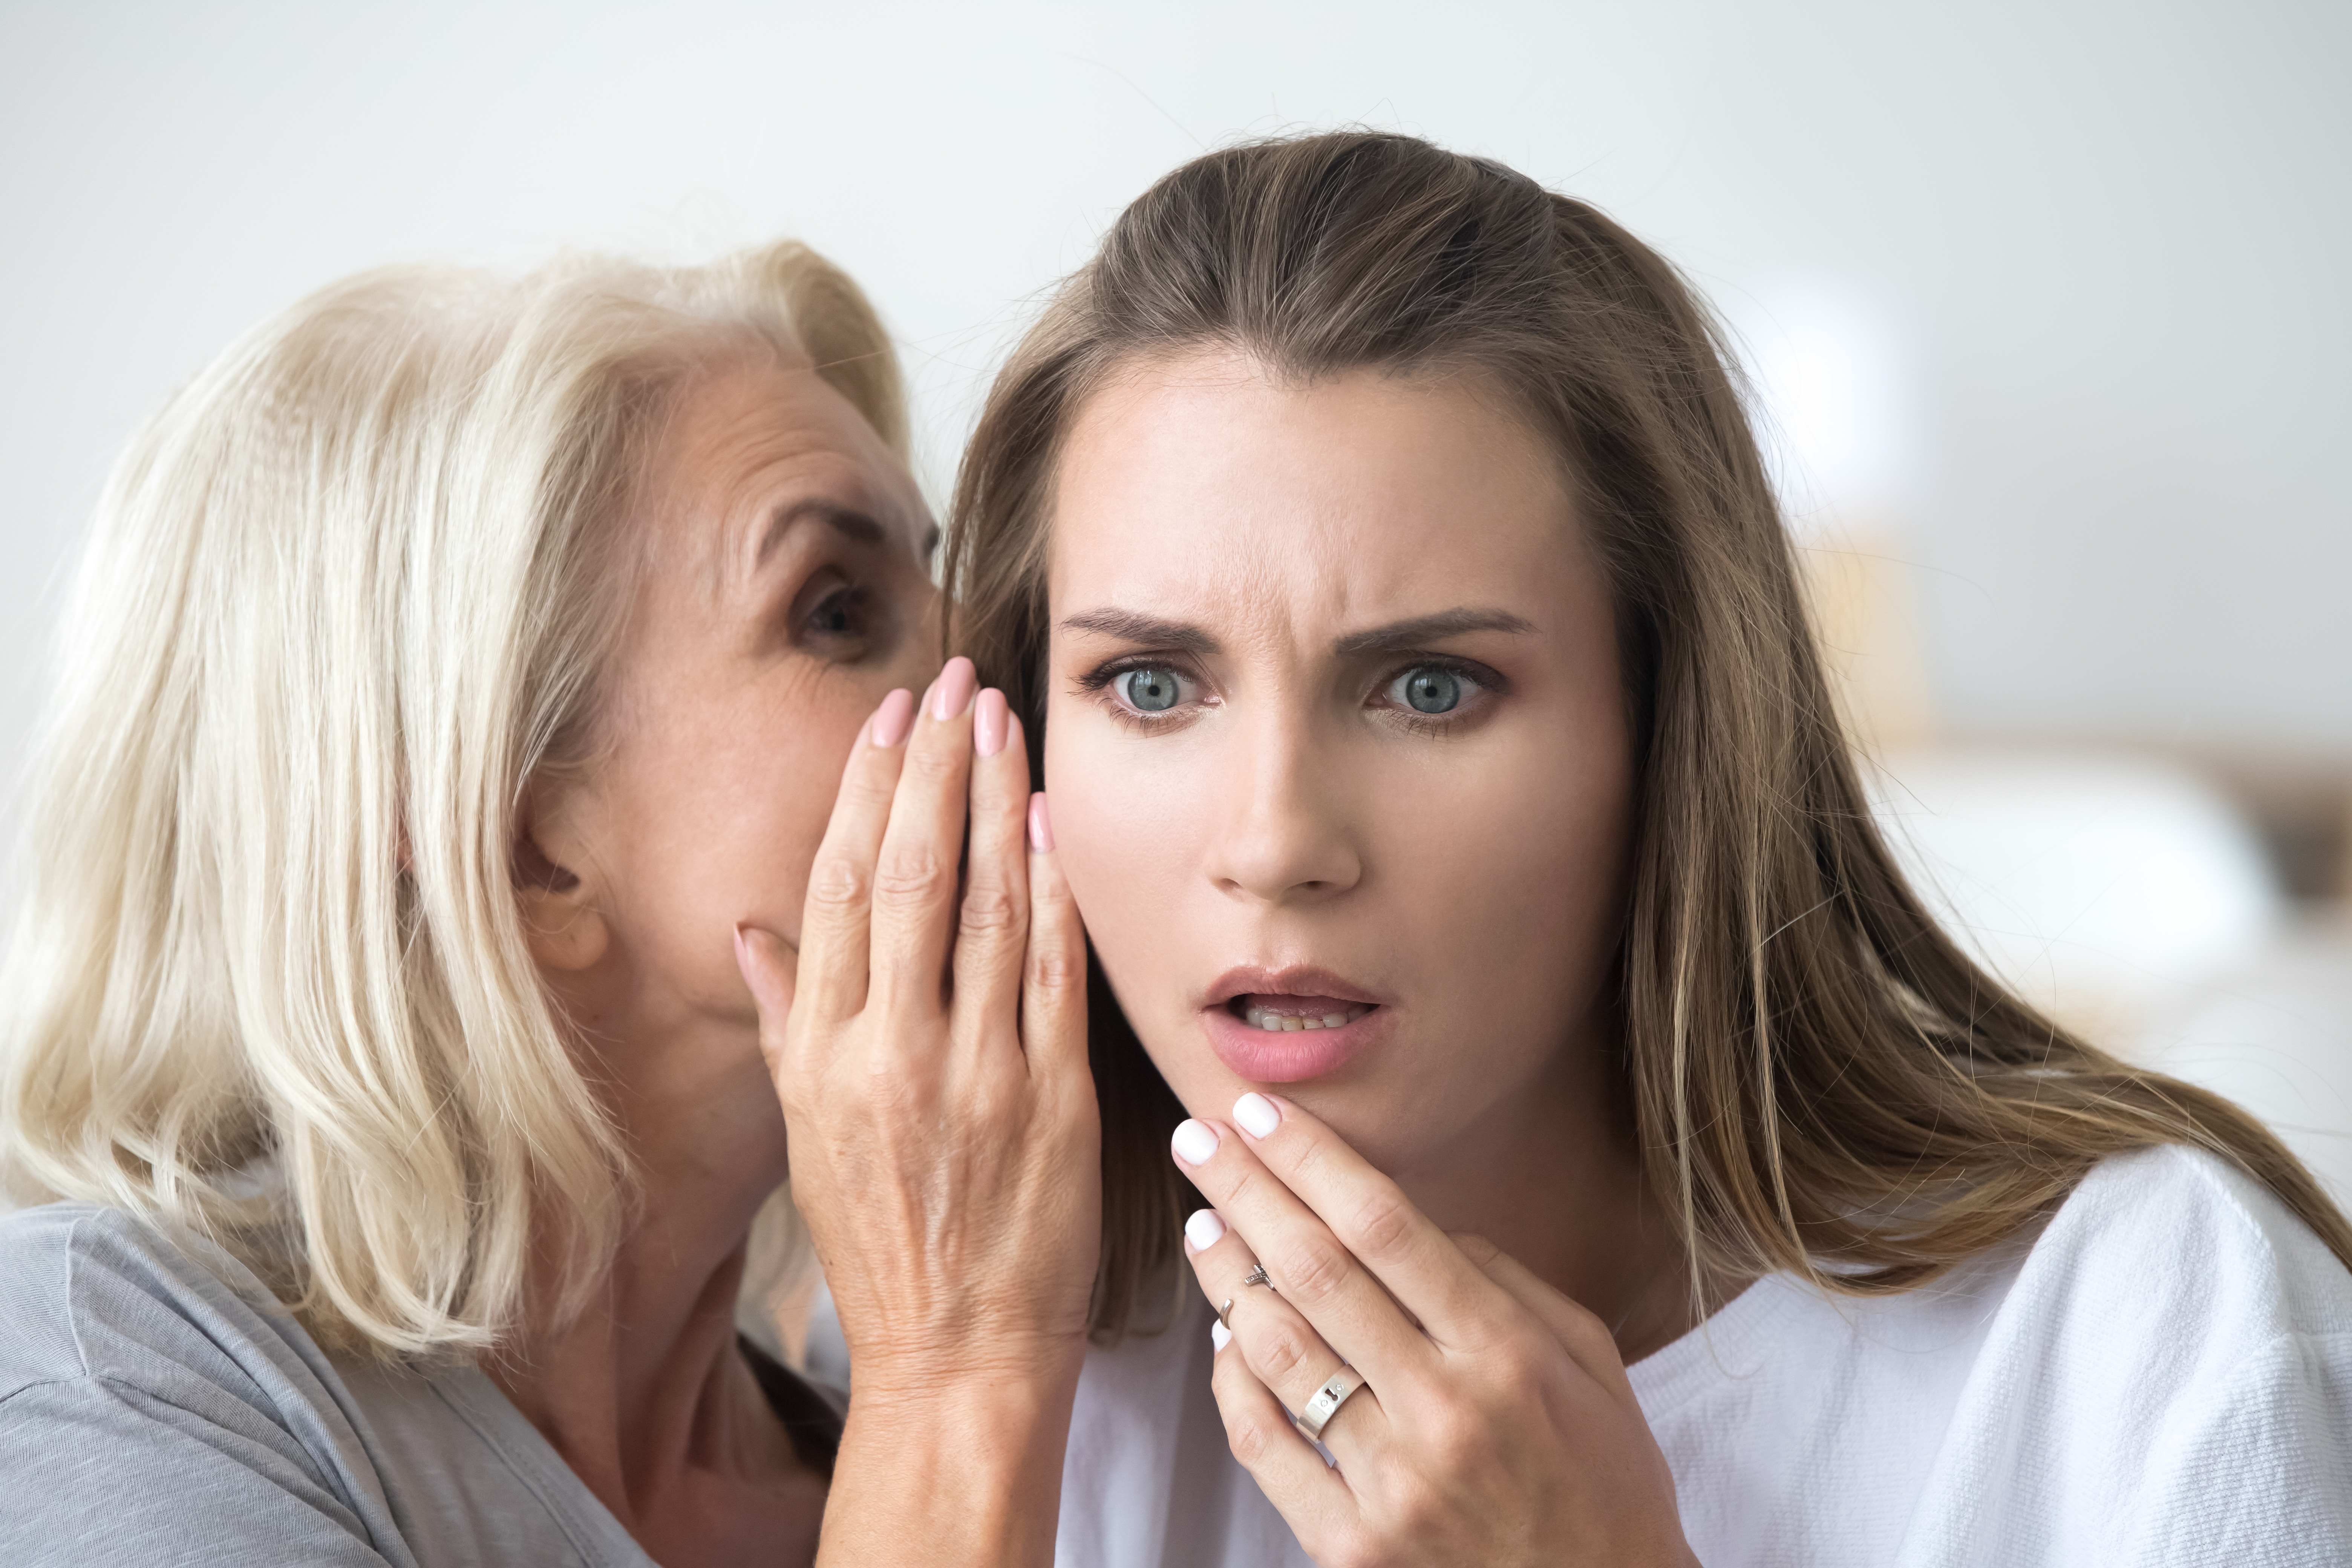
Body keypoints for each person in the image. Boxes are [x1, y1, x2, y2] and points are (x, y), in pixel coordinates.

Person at [752, 131, 2352, 1566]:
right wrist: (946, 1389)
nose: (1276, 841)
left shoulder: (2146, 1330)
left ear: (1666, 729)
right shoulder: (984, 1357)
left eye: (1432, 686)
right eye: (1152, 684)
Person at [0, 240, 1091, 1566]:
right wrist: (954, 1375)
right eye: (837, 610)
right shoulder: (106, 1385)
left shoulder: (951, 1442)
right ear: (520, 846)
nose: (1016, 659)